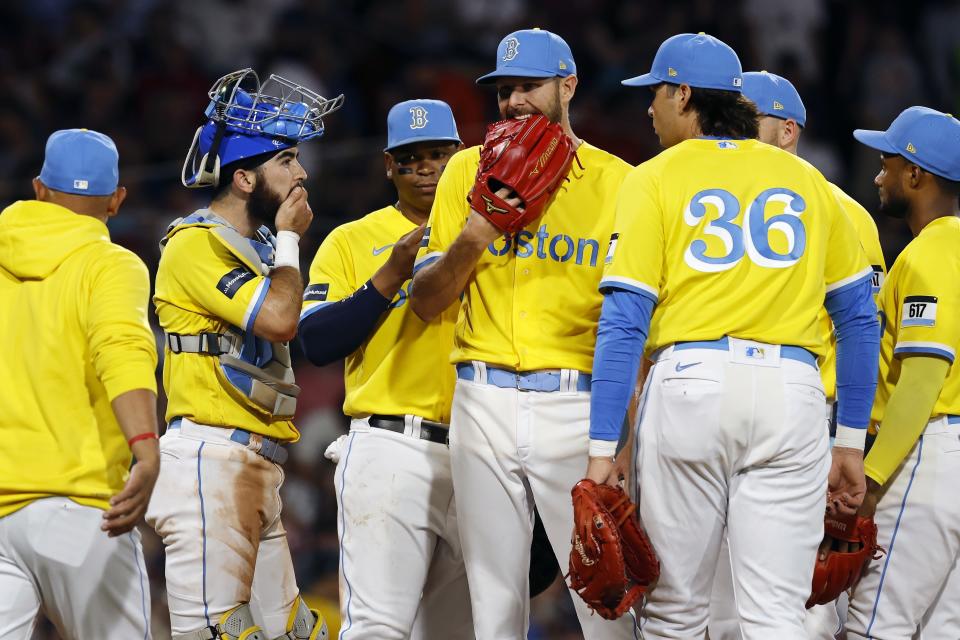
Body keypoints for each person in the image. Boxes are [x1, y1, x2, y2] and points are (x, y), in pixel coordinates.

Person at [589, 33, 880, 638]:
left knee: (675, 611)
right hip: (793, 395)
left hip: (692, 383)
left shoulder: (655, 176)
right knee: (777, 613)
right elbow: (858, 318)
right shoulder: (809, 182)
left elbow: (624, 320)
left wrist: (600, 450)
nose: (649, 108)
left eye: (657, 94)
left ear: (685, 95)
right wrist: (849, 442)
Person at [410, 28, 638, 639]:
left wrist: (621, 441)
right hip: (481, 397)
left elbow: (636, 324)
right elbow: (426, 303)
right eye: (504, 90)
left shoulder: (618, 182)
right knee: (494, 606)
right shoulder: (465, 170)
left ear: (568, 87)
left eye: (528, 88)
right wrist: (477, 230)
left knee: (606, 601)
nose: (513, 102)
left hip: (579, 400)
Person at [146, 69, 342, 640]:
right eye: (286, 160)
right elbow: (281, 319)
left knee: (295, 633)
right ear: (244, 178)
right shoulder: (194, 243)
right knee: (219, 632)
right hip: (208, 459)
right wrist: (290, 241)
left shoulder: (254, 249)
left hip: (254, 466)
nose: (302, 173)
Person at [708, 70, 888, 640]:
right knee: (717, 609)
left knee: (797, 609)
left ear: (788, 132)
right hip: (725, 405)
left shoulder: (840, 210)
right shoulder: (714, 203)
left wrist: (851, 440)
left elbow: (864, 331)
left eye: (747, 122)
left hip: (810, 418)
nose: (731, 134)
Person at [298, 99, 473, 639]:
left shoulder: (488, 234)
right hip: (391, 444)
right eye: (410, 157)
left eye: (438, 155)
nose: (425, 168)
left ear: (460, 157)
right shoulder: (351, 240)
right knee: (378, 627)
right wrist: (390, 276)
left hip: (480, 450)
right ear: (388, 165)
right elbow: (317, 339)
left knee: (465, 631)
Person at [0, 128, 159, 639]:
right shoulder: (110, 264)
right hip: (80, 509)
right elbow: (122, 353)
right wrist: (146, 448)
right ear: (116, 200)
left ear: (39, 188)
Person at [844, 106, 960, 639]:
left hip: (932, 456)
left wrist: (870, 481)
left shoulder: (931, 254)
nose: (878, 176)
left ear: (916, 174)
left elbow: (920, 381)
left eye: (887, 163)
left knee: (873, 626)